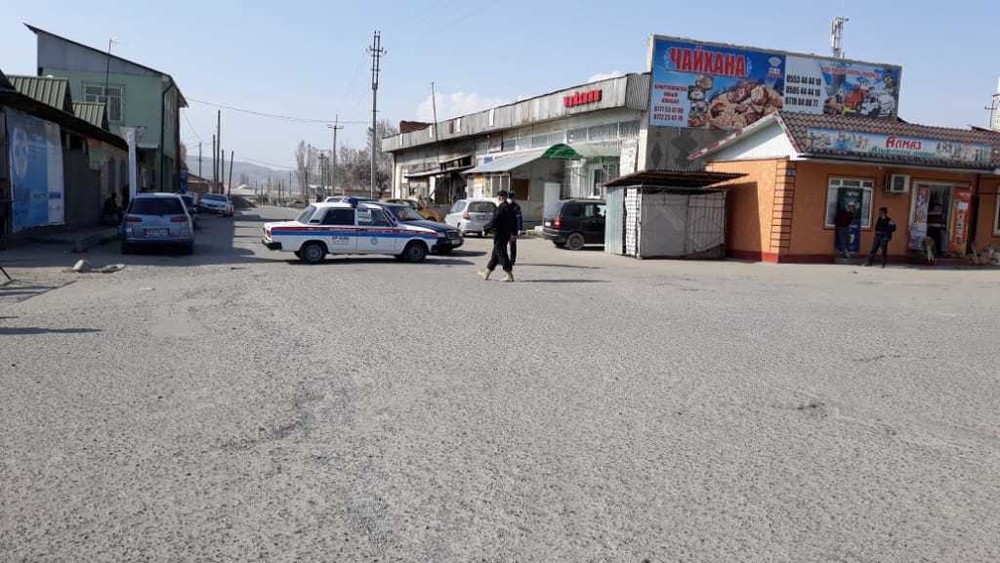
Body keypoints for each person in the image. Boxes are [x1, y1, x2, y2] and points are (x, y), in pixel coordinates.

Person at [478, 190, 518, 282]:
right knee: (495, 255)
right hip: (507, 234)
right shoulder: (510, 208)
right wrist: (514, 233)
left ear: (499, 197)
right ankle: (486, 273)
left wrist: (486, 229)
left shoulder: (501, 208)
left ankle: (509, 275)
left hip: (500, 234)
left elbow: (495, 220)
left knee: (501, 253)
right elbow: (514, 221)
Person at [507, 193, 523, 266]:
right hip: (505, 228)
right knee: (501, 245)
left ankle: (512, 260)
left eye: (511, 198)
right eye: (509, 198)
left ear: (513, 198)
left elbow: (519, 218)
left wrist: (520, 228)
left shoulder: (516, 206)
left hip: (513, 229)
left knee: (512, 245)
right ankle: (501, 259)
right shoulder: (504, 205)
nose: (510, 199)